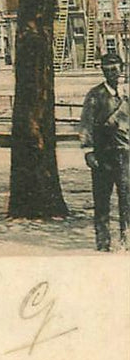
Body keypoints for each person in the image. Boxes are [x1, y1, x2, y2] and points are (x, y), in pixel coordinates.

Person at [79, 52, 129, 252]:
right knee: (102, 199)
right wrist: (88, 151)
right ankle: (103, 241)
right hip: (103, 155)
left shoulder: (127, 94)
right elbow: (86, 124)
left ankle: (126, 238)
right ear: (103, 71)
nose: (112, 74)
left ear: (122, 69)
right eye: (107, 70)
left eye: (115, 70)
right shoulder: (95, 95)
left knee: (126, 198)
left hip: (125, 155)